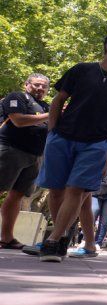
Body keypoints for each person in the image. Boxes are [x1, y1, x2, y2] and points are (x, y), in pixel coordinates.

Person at [36, 33, 107, 262]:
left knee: (76, 190)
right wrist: (52, 134)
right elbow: (58, 100)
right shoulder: (81, 70)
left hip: (96, 144)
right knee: (55, 190)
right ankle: (60, 235)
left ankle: (53, 241)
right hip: (62, 137)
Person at [0, 73, 50, 250]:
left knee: (17, 195)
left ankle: (6, 238)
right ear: (27, 84)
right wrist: (50, 116)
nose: (40, 88)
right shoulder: (17, 97)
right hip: (10, 150)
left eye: (44, 86)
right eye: (36, 84)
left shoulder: (46, 106)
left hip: (35, 156)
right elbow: (18, 120)